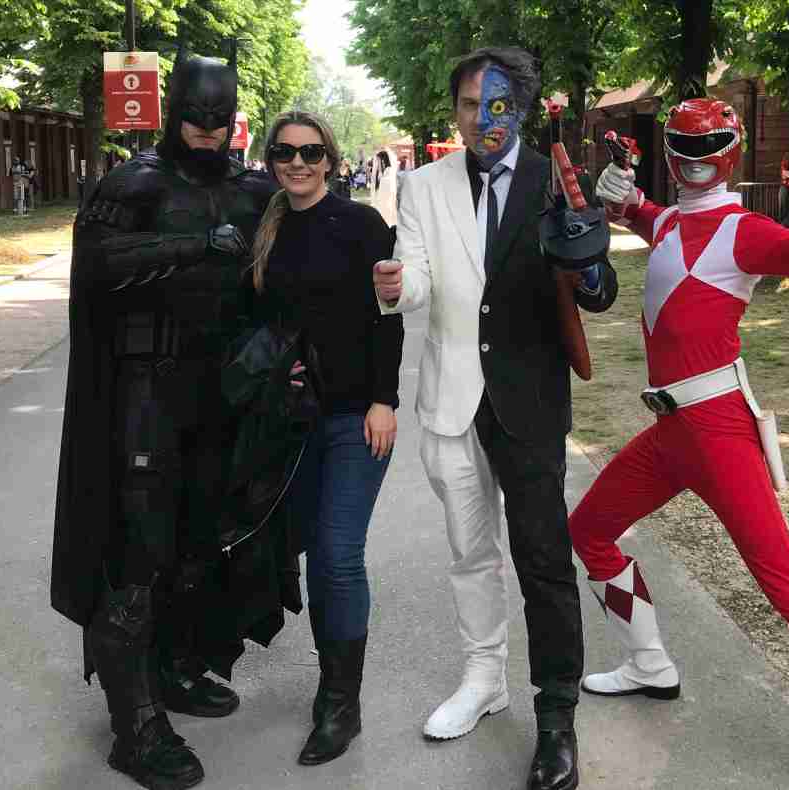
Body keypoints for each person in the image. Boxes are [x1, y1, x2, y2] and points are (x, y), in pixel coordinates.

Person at [574, 98, 789, 790]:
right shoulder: (671, 222)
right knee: (588, 531)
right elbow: (642, 214)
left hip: (718, 433)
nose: (693, 158)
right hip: (671, 432)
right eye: (683, 144)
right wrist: (616, 192)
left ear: (730, 152)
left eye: (705, 145)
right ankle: (649, 663)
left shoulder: (744, 230)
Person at [52, 45, 300, 790]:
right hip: (145, 394)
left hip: (222, 396)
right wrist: (194, 245)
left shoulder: (254, 191)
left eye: (218, 119)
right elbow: (97, 264)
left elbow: (299, 268)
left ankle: (172, 665)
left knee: (201, 542)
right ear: (172, 112)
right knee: (140, 550)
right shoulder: (132, 184)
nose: (206, 130)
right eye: (194, 117)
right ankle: (134, 726)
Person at [372, 46, 617, 790]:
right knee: (469, 553)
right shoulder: (422, 186)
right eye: (471, 104)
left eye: (499, 103)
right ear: (455, 111)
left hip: (529, 402)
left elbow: (599, 292)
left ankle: (556, 719)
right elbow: (418, 280)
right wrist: (396, 286)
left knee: (544, 562)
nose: (484, 117)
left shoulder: (557, 179)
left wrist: (588, 260)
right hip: (452, 400)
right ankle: (484, 680)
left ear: (523, 108)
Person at [245, 110, 404, 767]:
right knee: (309, 552)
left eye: (311, 152)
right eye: (285, 152)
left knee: (337, 555)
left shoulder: (362, 224)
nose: (298, 163)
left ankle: (341, 702)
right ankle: (330, 681)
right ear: (271, 160)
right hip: (289, 422)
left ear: (331, 160)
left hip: (354, 419)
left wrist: (384, 400)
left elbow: (388, 316)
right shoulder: (264, 228)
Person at [369, 149, 398, 227]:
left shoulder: (389, 171)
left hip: (386, 197)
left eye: (378, 160)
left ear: (382, 160)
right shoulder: (382, 172)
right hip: (382, 197)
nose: (376, 163)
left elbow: (389, 187)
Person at [779, 152, 789, 227]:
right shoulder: (787, 158)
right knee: (784, 210)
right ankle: (783, 226)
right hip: (786, 188)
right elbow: (785, 174)